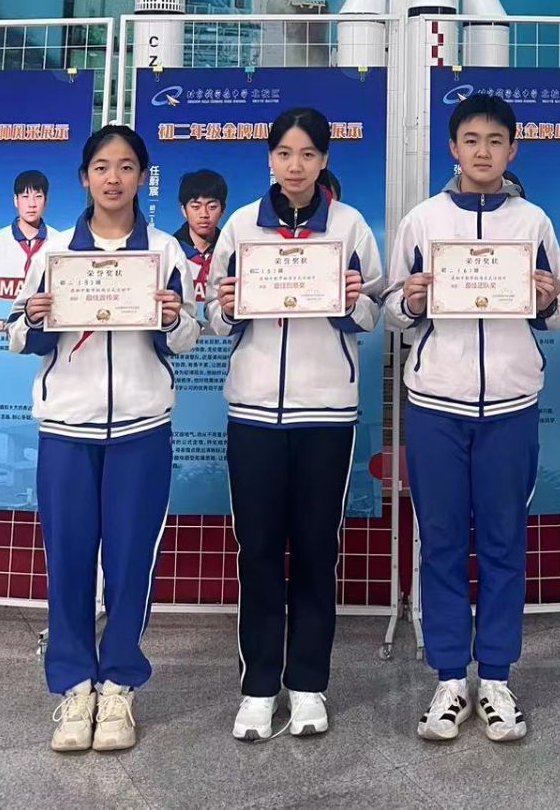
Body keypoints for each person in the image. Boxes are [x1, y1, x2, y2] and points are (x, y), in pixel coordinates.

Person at [8, 125, 198, 754]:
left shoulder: (165, 251)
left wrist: (174, 318)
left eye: (125, 166)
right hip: (67, 427)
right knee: (66, 560)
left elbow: (188, 338)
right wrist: (32, 317)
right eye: (101, 167)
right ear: (84, 177)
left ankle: (118, 684)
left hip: (142, 428)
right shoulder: (55, 251)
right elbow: (17, 333)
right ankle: (73, 686)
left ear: (143, 176)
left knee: (130, 562)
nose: (113, 178)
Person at [385, 94, 560, 745]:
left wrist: (547, 300)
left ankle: (495, 677)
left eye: (495, 141)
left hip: (511, 404)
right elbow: (394, 314)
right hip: (436, 402)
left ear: (512, 149)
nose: (483, 151)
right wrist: (410, 300)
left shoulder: (533, 221)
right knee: (439, 540)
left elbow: (554, 316)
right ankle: (447, 679)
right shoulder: (423, 220)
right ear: (453, 149)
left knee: (502, 541)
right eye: (471, 140)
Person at [205, 108, 383, 743]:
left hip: (327, 411)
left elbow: (374, 311)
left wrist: (350, 302)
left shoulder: (351, 225)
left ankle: (307, 684)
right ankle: (258, 687)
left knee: (315, 549)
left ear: (325, 160)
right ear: (270, 159)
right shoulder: (239, 226)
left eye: (308, 154)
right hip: (253, 412)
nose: (296, 165)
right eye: (284, 153)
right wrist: (227, 307)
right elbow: (215, 317)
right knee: (256, 550)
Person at [0, 169, 50, 301]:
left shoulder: (57, 241)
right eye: (25, 197)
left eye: (38, 196)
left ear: (46, 200)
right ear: (16, 200)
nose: (32, 204)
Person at [171, 168, 227, 304]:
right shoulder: (170, 250)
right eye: (196, 207)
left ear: (222, 210)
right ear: (184, 210)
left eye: (212, 207)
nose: (204, 214)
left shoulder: (231, 252)